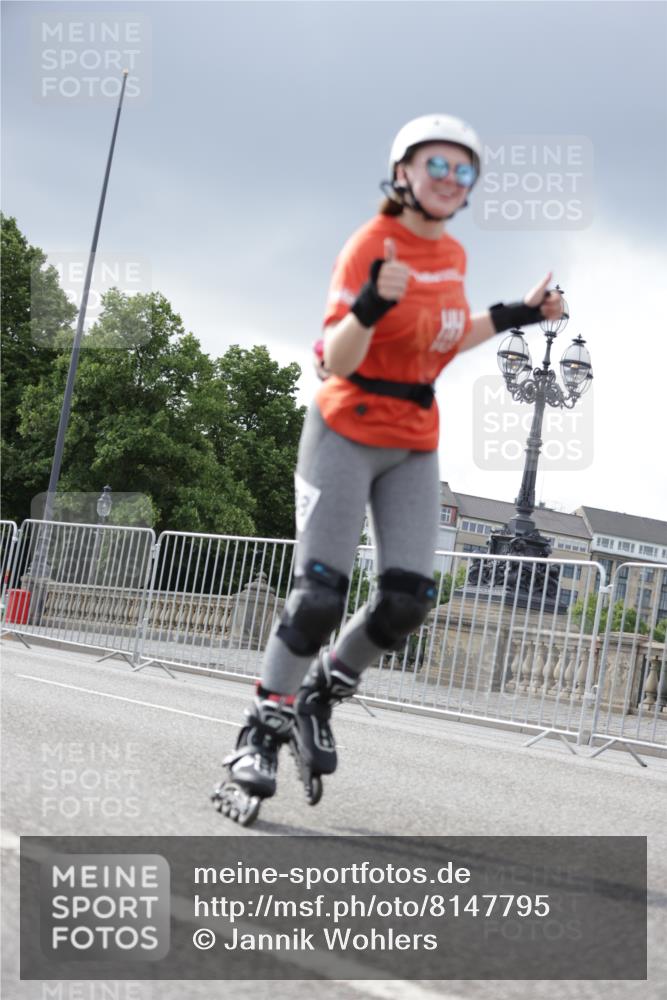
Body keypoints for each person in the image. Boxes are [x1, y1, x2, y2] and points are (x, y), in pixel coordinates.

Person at [213, 114, 563, 825]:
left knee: (407, 599)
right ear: (402, 171)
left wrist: (519, 312)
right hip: (344, 429)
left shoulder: (454, 255)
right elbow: (333, 358)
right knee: (318, 599)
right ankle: (260, 731)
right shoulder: (368, 247)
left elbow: (446, 334)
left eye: (462, 171)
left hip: (414, 438)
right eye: (436, 165)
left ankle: (322, 690)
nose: (449, 180)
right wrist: (370, 304)